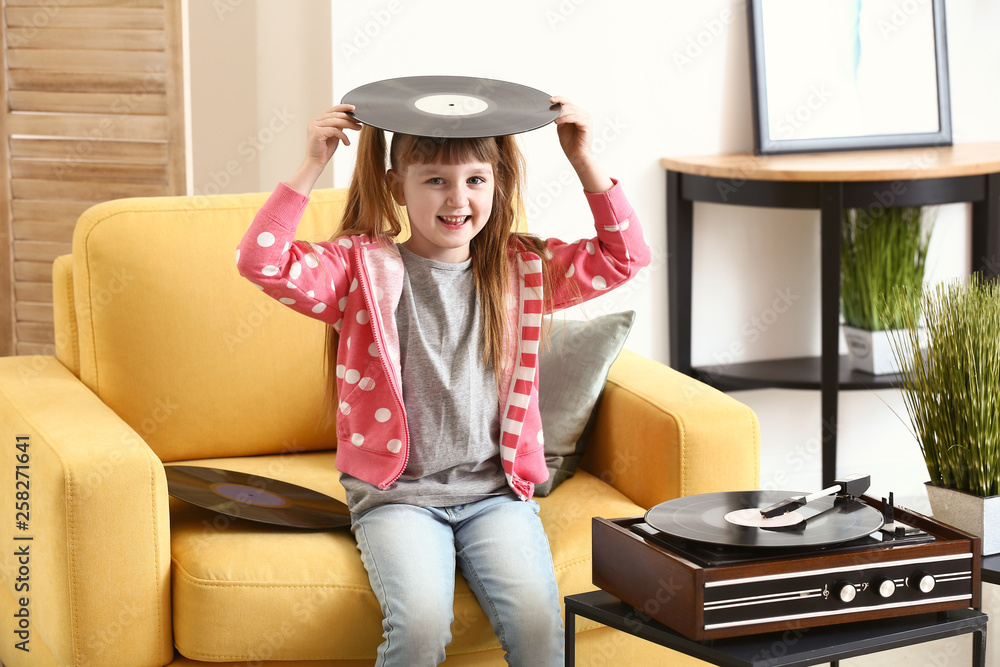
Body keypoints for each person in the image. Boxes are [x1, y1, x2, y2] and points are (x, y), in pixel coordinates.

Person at [236, 94, 651, 666]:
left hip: (495, 496)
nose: (458, 199)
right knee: (420, 630)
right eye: (435, 180)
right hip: (398, 498)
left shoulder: (522, 268)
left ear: (497, 184)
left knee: (539, 632)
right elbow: (262, 261)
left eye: (476, 180)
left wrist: (583, 159)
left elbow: (624, 256)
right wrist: (313, 162)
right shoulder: (360, 269)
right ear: (395, 186)